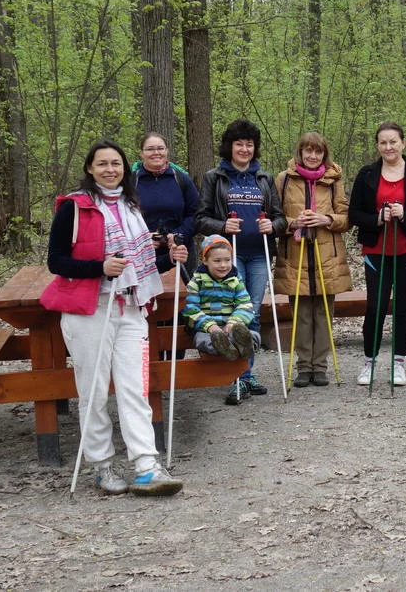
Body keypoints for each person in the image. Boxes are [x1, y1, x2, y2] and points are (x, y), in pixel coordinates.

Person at [39, 140, 188, 496]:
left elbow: (136, 265)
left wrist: (169, 258)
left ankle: (146, 466)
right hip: (90, 310)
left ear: (125, 168)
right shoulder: (74, 207)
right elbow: (56, 261)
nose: (110, 170)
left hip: (131, 306)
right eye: (103, 164)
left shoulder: (132, 206)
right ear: (90, 168)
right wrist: (99, 267)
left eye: (116, 163)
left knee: (135, 387)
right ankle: (102, 465)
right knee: (93, 390)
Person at [196, 118, 288, 405]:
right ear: (230, 146)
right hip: (228, 256)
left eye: (249, 144)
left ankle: (246, 374)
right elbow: (201, 218)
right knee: (233, 312)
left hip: (259, 254)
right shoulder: (215, 177)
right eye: (239, 144)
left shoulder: (264, 178)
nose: (245, 149)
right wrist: (223, 226)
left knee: (252, 313)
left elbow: (280, 217)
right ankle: (238, 375)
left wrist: (272, 226)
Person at [348, 122, 406, 387]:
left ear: (403, 143)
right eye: (383, 143)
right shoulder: (367, 174)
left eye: (393, 142)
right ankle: (370, 362)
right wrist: (378, 217)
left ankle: (398, 362)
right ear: (378, 146)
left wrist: (405, 215)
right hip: (376, 249)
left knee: (404, 306)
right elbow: (354, 214)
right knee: (375, 306)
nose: (388, 147)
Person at [273, 132, 352, 388]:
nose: (313, 155)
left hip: (327, 255)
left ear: (324, 154)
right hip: (295, 255)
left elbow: (346, 218)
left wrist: (326, 219)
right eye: (308, 150)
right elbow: (275, 218)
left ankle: (320, 366)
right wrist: (293, 222)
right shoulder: (284, 179)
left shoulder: (333, 179)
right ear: (300, 152)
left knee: (323, 312)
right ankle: (304, 366)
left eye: (318, 151)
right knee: (301, 313)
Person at [183, 235, 259, 361]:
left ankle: (244, 346)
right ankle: (228, 350)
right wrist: (210, 326)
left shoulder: (235, 280)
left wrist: (234, 322)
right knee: (202, 340)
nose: (223, 265)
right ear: (205, 260)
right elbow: (191, 310)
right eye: (217, 261)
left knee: (254, 335)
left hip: (232, 327)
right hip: (207, 330)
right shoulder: (197, 282)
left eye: (227, 260)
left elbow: (245, 304)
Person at [132, 132, 200, 272]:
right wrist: (144, 238)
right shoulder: (131, 181)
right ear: (141, 153)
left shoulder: (181, 179)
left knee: (184, 287)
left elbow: (196, 214)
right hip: (143, 253)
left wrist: (177, 235)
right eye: (150, 149)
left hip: (180, 251)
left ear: (167, 151)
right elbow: (124, 219)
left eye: (160, 148)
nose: (156, 153)